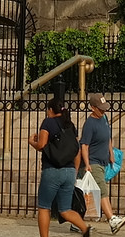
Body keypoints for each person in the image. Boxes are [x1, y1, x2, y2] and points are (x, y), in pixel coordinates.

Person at [32, 97, 93, 237]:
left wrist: (31, 142)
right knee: (65, 209)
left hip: (52, 170)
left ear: (51, 110)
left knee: (44, 207)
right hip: (70, 171)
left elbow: (41, 145)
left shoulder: (48, 123)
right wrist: (75, 170)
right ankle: (84, 228)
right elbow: (76, 150)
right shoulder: (70, 125)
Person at [77, 93, 125, 234]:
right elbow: (84, 145)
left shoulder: (104, 118)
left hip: (103, 161)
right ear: (93, 108)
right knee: (101, 190)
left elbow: (108, 137)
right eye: (100, 109)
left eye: (104, 108)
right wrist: (87, 164)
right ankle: (112, 219)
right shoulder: (90, 124)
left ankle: (76, 221)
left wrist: (111, 153)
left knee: (89, 194)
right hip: (93, 163)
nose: (103, 111)